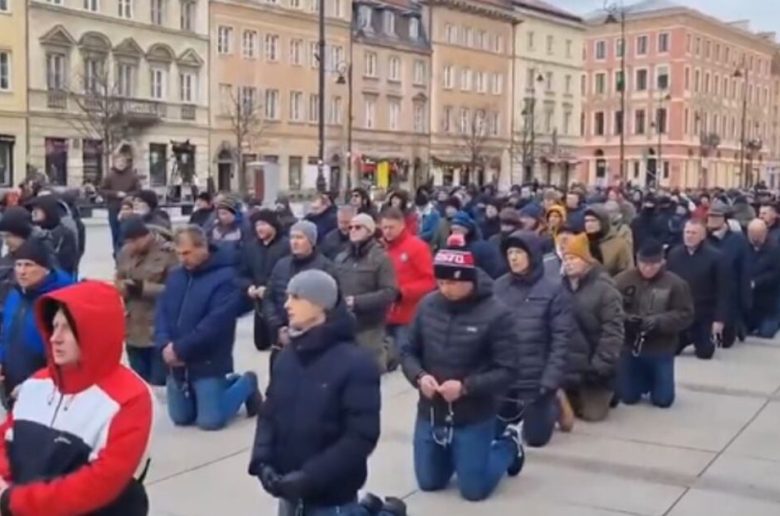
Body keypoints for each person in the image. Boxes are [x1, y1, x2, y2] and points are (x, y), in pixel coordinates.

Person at [0, 281, 154, 515]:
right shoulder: (36, 384)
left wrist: (18, 500)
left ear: (96, 331)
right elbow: (5, 438)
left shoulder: (130, 398)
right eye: (54, 326)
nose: (55, 338)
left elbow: (100, 483)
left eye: (67, 329)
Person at [248, 270, 388, 516]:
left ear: (321, 305)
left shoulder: (356, 363)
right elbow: (269, 412)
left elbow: (360, 437)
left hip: (331, 499)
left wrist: (310, 477)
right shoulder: (286, 357)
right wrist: (262, 461)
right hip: (288, 492)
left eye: (296, 297)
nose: (287, 304)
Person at [402, 245, 522, 501]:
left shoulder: (497, 314)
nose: (445, 289)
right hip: (432, 411)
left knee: (473, 490)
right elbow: (408, 351)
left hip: (473, 413)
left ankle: (509, 445)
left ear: (469, 280)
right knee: (429, 482)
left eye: (452, 283)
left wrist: (466, 387)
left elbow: (508, 369)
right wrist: (419, 376)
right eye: (440, 282)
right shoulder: (427, 305)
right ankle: (454, 456)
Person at [155, 225, 262, 430]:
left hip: (208, 358)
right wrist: (164, 343)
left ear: (202, 247)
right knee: (181, 418)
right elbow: (162, 312)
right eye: (179, 254)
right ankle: (208, 393)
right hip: (176, 360)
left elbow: (215, 323)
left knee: (210, 421)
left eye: (187, 253)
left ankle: (246, 383)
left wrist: (180, 348)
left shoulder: (226, 277)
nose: (182, 259)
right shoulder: (175, 276)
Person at [494, 231, 575, 446]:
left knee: (536, 439)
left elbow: (561, 341)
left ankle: (556, 399)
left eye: (519, 252)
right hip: (504, 374)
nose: (513, 258)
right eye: (510, 253)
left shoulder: (554, 290)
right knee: (494, 432)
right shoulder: (499, 287)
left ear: (532, 255)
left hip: (537, 379)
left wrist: (550, 381)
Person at [615, 240, 694, 408]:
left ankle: (654, 382)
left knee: (663, 401)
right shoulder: (622, 280)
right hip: (630, 345)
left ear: (662, 262)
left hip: (660, 346)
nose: (648, 268)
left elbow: (685, 314)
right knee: (627, 397)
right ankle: (639, 381)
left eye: (653, 264)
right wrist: (626, 319)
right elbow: (610, 308)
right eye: (643, 263)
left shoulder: (675, 284)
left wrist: (659, 321)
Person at [0, 238, 72, 405]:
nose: (22, 271)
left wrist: (38, 382)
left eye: (28, 265)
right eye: (18, 265)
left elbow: (68, 351)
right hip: (12, 383)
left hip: (46, 387)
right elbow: (5, 333)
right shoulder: (15, 295)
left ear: (45, 269)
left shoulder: (59, 300)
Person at [561, 233, 624, 422]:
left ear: (586, 261)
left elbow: (613, 333)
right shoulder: (558, 287)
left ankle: (609, 391)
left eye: (573, 258)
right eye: (565, 259)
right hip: (566, 362)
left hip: (592, 365)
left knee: (591, 415)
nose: (568, 263)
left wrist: (599, 366)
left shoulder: (606, 290)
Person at [263, 220, 337, 364]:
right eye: (292, 237)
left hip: (313, 341)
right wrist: (278, 327)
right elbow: (269, 298)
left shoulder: (325, 268)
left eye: (300, 237)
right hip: (281, 339)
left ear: (311, 241)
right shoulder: (281, 265)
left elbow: (330, 305)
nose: (294, 242)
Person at [115, 216, 178, 386]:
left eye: (134, 242)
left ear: (145, 236)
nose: (131, 246)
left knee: (158, 384)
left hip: (157, 328)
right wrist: (120, 287)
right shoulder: (125, 252)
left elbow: (175, 290)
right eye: (127, 242)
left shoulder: (168, 254)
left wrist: (142, 288)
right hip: (133, 328)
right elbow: (119, 277)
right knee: (139, 383)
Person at [334, 213, 397, 372]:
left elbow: (389, 292)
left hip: (369, 326)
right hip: (344, 324)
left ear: (369, 231)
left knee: (370, 370)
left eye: (358, 227)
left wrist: (357, 302)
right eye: (350, 227)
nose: (352, 230)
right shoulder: (341, 258)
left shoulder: (381, 258)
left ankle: (390, 351)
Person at [667, 219, 729, 360]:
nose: (689, 236)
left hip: (704, 312)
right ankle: (685, 337)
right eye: (687, 232)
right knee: (671, 350)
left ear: (702, 236)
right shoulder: (674, 254)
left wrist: (719, 320)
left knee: (705, 353)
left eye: (694, 233)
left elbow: (724, 290)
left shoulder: (716, 257)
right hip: (680, 312)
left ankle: (698, 337)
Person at [382, 208, 435, 371]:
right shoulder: (381, 248)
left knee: (406, 360)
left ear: (402, 225)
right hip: (383, 315)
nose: (387, 232)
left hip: (407, 316)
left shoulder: (417, 247)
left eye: (391, 227)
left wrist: (403, 292)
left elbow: (429, 281)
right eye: (384, 228)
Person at [238, 209, 291, 351]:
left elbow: (287, 275)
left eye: (263, 224)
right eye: (257, 225)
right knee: (261, 344)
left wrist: (269, 290)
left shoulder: (286, 246)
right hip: (259, 302)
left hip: (279, 301)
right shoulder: (251, 247)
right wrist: (248, 286)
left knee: (280, 343)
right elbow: (242, 273)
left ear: (273, 225)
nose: (259, 229)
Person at [705, 201, 751, 347]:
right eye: (710, 216)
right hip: (708, 290)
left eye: (716, 216)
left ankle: (737, 326)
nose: (711, 219)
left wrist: (745, 298)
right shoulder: (704, 238)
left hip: (731, 292)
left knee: (725, 341)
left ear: (725, 219)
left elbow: (744, 271)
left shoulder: (737, 240)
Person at [27, 195, 79, 277]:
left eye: (37, 209)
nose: (33, 213)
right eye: (33, 210)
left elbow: (65, 262)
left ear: (47, 210)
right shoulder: (34, 231)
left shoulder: (62, 233)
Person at [100, 153, 141, 255]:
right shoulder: (109, 176)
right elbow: (102, 190)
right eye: (118, 162)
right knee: (115, 232)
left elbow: (138, 190)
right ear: (114, 163)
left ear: (126, 163)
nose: (121, 164)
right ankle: (117, 253)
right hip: (114, 207)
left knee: (127, 232)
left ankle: (127, 253)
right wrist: (115, 194)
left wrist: (128, 195)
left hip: (128, 208)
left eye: (123, 162)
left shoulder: (132, 176)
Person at [745, 219, 780, 338]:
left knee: (766, 333)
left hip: (769, 300)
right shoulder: (744, 247)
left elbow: (775, 274)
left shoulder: (775, 250)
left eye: (757, 234)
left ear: (764, 233)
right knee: (744, 330)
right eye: (752, 234)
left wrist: (756, 282)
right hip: (749, 300)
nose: (754, 238)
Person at [449, 211, 506, 279]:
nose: (455, 233)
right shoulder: (452, 247)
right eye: (453, 230)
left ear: (467, 230)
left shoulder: (481, 248)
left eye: (457, 229)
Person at [0, 208, 36, 315]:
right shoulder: (8, 258)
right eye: (3, 237)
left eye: (8, 236)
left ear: (21, 234)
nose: (6, 242)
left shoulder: (38, 263)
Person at [583, 205, 634, 277]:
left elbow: (627, 272)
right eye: (586, 221)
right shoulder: (580, 242)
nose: (589, 224)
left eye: (593, 220)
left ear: (603, 222)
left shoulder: (619, 244)